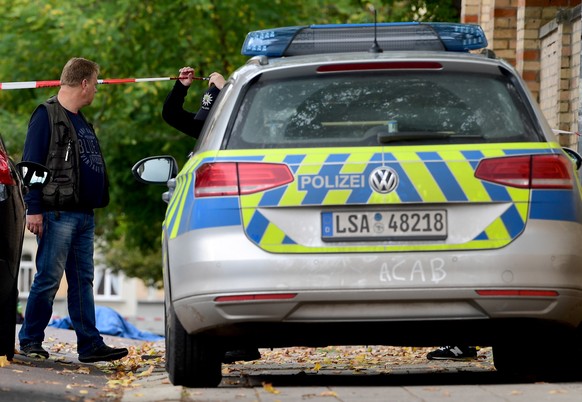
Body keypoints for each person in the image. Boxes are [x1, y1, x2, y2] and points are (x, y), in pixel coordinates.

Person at [18, 57, 128, 363]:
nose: (96, 88)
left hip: (83, 215)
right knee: (48, 279)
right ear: (83, 83)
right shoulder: (47, 115)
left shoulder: (79, 119)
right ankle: (30, 340)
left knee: (83, 282)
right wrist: (34, 209)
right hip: (56, 213)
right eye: (95, 82)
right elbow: (31, 166)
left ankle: (89, 344)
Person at [161, 66, 261, 364]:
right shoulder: (211, 134)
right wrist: (182, 87)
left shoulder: (236, 131)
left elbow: (214, 118)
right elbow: (172, 114)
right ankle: (235, 340)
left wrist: (218, 91)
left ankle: (241, 341)